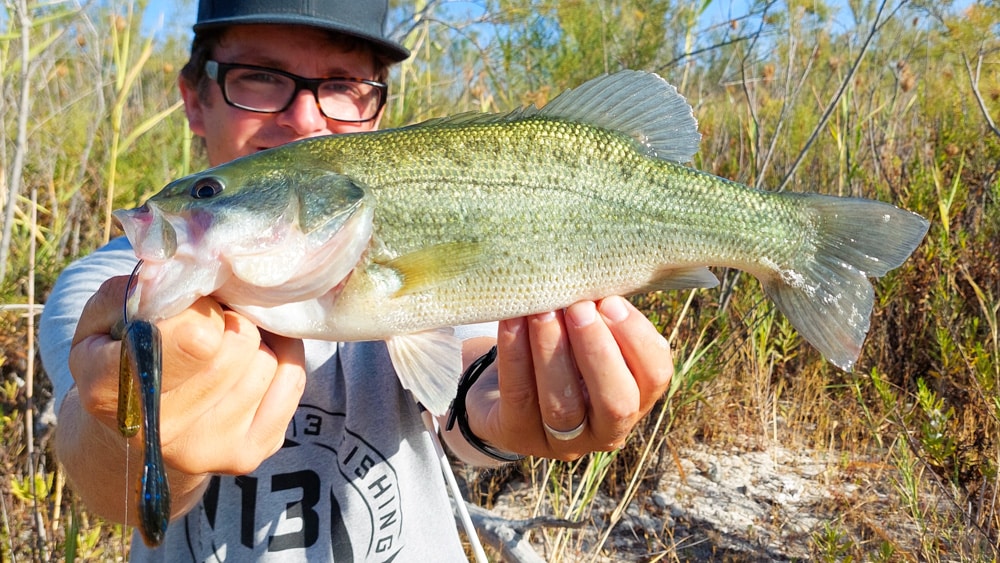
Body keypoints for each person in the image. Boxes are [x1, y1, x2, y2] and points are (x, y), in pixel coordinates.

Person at [39, 1, 674, 559]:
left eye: (342, 84)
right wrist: (135, 432)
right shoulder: (104, 279)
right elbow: (100, 473)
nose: (305, 119)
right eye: (259, 77)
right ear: (194, 97)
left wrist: (514, 411)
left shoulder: (397, 213)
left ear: (376, 104)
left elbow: (467, 380)